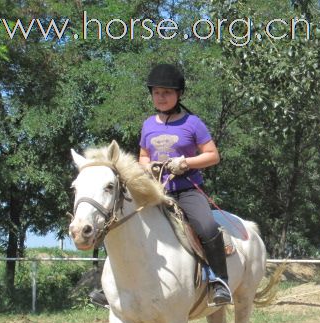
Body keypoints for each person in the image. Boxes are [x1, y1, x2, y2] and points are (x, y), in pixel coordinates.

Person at [89, 63, 232, 308]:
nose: (161, 97)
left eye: (166, 92)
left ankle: (219, 281)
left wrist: (185, 162)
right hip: (156, 191)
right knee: (119, 223)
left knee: (207, 226)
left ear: (179, 94)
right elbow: (143, 155)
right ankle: (110, 286)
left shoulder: (193, 123)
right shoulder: (148, 125)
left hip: (186, 190)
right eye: (156, 92)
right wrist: (147, 166)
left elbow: (212, 155)